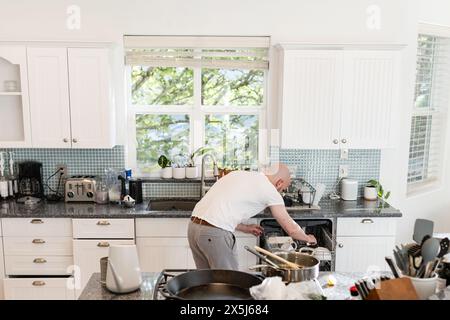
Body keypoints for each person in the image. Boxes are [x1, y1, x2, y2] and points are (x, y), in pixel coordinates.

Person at [187, 163, 317, 270]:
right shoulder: (270, 190)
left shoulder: (238, 174)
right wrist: (307, 238)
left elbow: (219, 212)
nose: (281, 192)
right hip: (214, 235)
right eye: (283, 189)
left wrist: (245, 228)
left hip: (193, 228)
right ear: (279, 183)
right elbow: (291, 229)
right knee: (227, 283)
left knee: (205, 280)